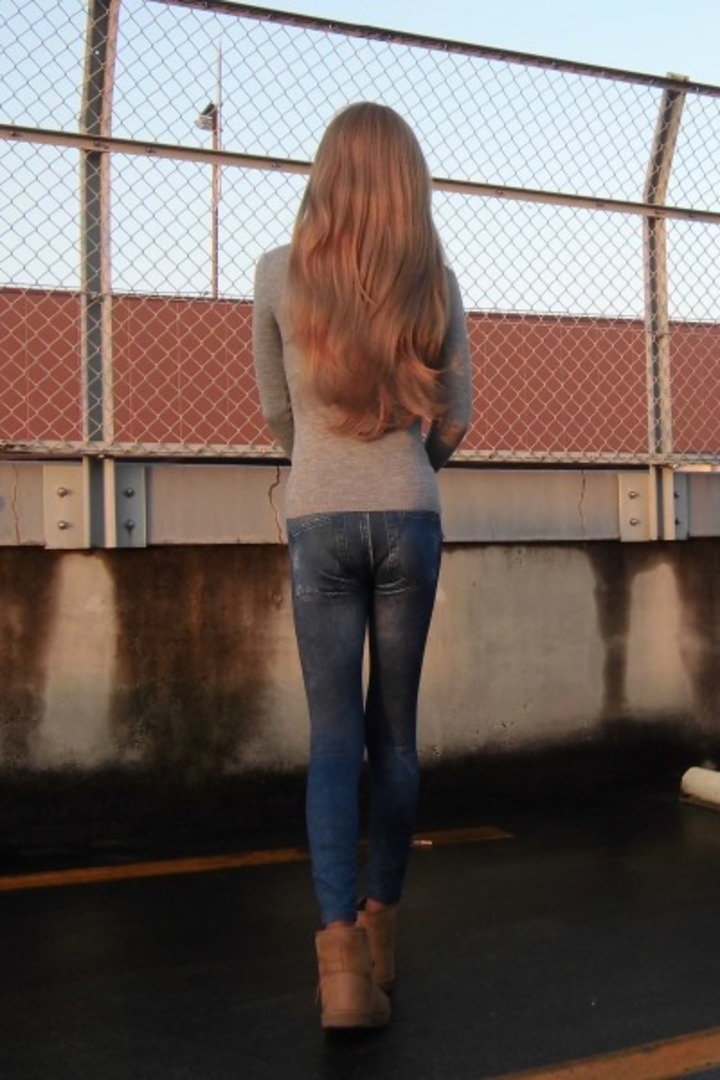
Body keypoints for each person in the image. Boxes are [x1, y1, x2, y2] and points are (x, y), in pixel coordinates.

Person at [252, 101, 471, 1031]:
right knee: (397, 738)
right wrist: (412, 469)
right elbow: (456, 416)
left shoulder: (276, 273)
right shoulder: (435, 282)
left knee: (335, 739)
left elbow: (277, 411)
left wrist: (321, 466)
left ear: (327, 175)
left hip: (319, 516)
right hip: (410, 513)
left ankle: (340, 963)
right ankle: (383, 933)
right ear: (407, 183)